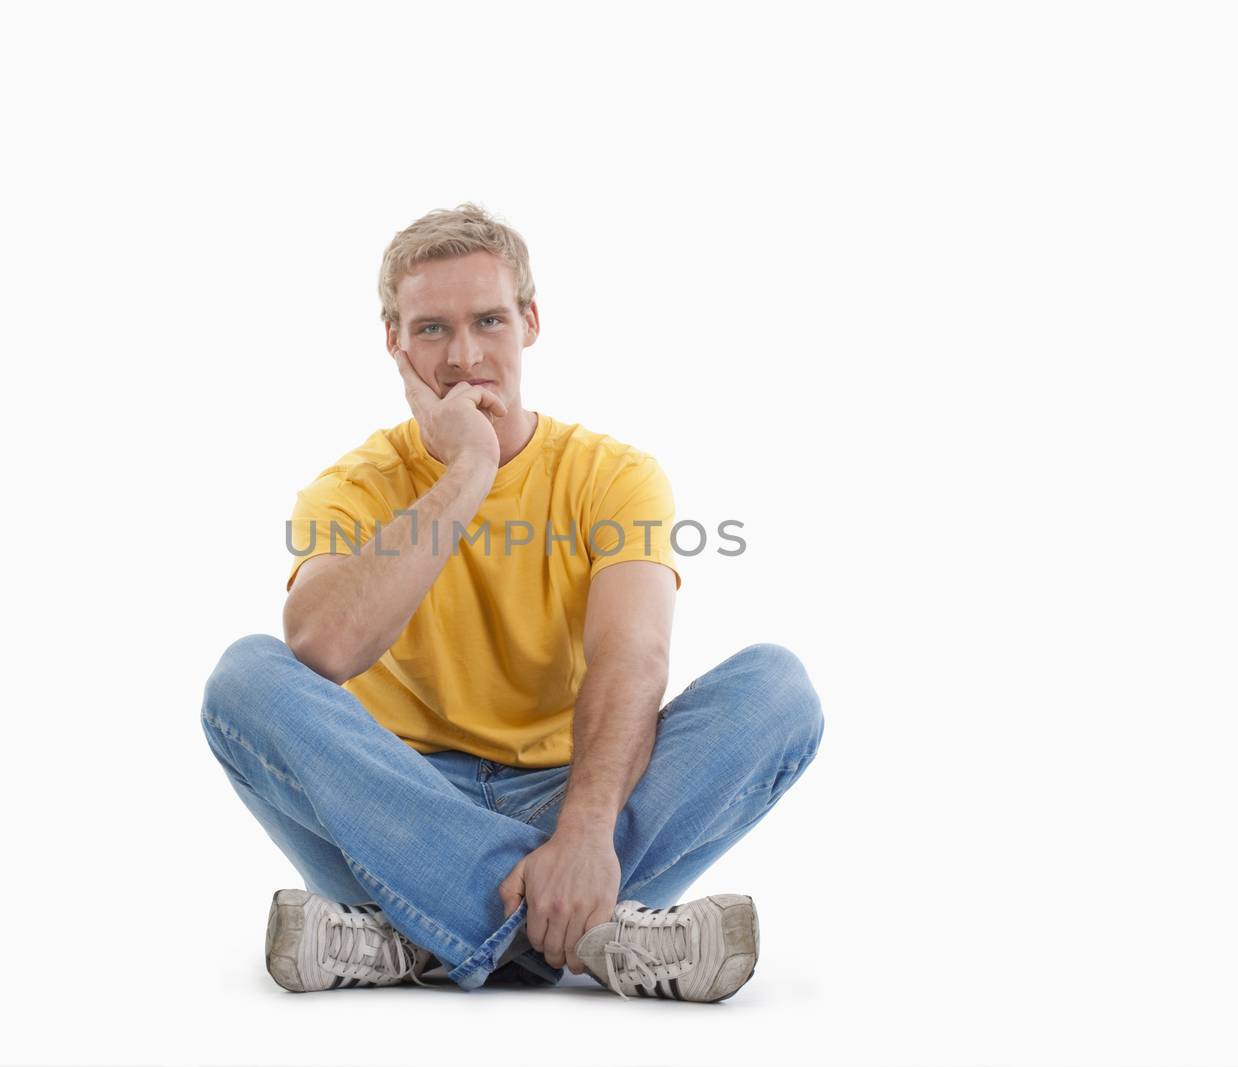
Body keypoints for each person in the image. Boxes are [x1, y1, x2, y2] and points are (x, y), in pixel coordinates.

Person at [200, 202, 824, 1001]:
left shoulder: (613, 475)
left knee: (778, 688)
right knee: (244, 679)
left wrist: (585, 834)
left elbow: (633, 654)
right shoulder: (351, 487)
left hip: (571, 792)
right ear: (392, 339)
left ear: (530, 321)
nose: (464, 357)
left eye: (488, 320)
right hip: (395, 804)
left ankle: (415, 935)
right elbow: (323, 647)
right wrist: (467, 474)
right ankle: (595, 938)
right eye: (430, 330)